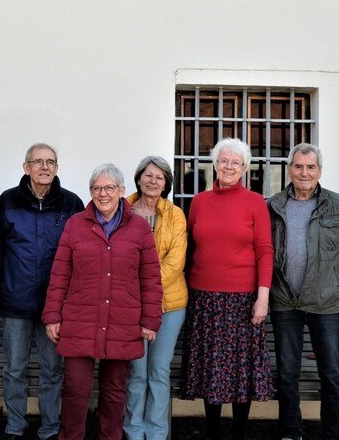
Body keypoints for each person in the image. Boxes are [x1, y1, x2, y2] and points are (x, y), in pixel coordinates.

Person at [42, 163, 163, 440]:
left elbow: (150, 279)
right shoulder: (75, 224)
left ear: (122, 191)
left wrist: (150, 320)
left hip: (122, 321)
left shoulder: (140, 229)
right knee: (75, 388)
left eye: (109, 188)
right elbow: (60, 273)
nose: (102, 194)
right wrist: (52, 315)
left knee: (114, 389)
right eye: (96, 188)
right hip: (79, 320)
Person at [180, 138, 275, 440]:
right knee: (210, 368)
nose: (229, 166)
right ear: (215, 165)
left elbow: (264, 251)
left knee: (239, 371)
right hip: (204, 298)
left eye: (236, 162)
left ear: (245, 168)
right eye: (224, 161)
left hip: (242, 300)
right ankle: (211, 433)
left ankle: (239, 433)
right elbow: (191, 246)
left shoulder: (255, 202)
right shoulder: (199, 202)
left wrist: (263, 298)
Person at [0, 143, 84, 440]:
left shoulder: (71, 204)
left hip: (55, 306)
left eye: (51, 162)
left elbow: (81, 254)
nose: (45, 167)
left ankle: (50, 428)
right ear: (26, 167)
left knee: (52, 371)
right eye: (38, 162)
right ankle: (15, 426)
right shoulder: (7, 201)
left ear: (57, 168)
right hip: (15, 302)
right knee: (15, 369)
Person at [267, 143, 339, 440]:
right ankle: (291, 431)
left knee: (330, 374)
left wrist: (327, 280)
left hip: (325, 304)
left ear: (319, 170)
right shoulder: (274, 205)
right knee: (287, 373)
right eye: (298, 166)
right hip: (284, 301)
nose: (304, 173)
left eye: (310, 167)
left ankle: (332, 434)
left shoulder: (338, 205)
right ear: (289, 169)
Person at [122, 156, 188, 440]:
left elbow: (175, 261)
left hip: (170, 304)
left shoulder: (175, 215)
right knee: (136, 371)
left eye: (159, 177)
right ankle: (134, 430)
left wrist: (144, 285)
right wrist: (133, 290)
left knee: (159, 371)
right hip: (130, 304)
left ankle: (158, 432)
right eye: (148, 175)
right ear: (139, 178)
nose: (152, 181)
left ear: (166, 184)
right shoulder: (121, 210)